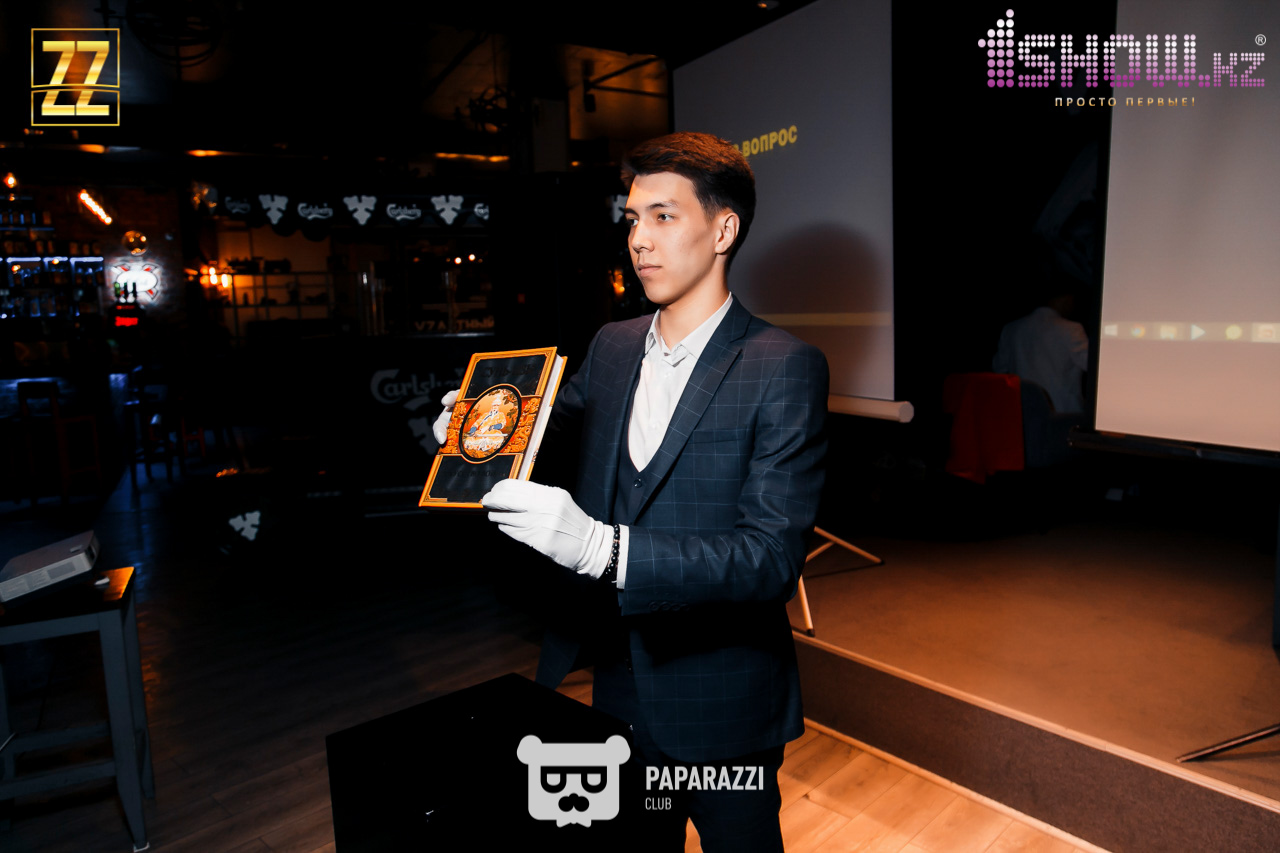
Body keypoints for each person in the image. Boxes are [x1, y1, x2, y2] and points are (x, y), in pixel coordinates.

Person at [433, 131, 829, 851]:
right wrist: (478, 428)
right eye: (632, 219)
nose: (638, 239)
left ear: (723, 230)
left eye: (663, 216)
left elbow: (771, 559)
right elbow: (551, 433)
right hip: (616, 686)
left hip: (721, 699)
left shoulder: (783, 364)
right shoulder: (612, 344)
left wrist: (602, 549)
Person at [992, 277, 1089, 414]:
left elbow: (999, 368)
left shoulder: (1012, 329)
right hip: (1063, 413)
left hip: (1022, 411)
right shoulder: (1071, 329)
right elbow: (1091, 364)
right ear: (1065, 299)